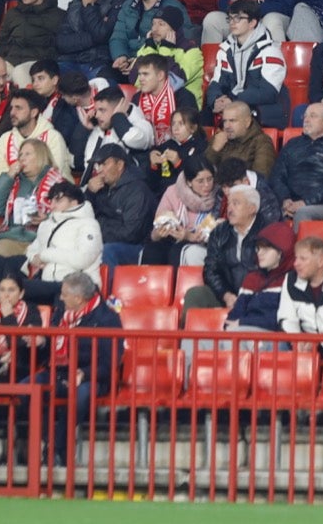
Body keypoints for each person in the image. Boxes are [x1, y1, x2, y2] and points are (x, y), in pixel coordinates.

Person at [19, 270, 121, 467]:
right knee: (26, 388)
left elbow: (111, 361)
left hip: (92, 377)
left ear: (78, 298)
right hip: (59, 371)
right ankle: (49, 441)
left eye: (65, 294)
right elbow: (52, 346)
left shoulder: (108, 319)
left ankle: (55, 448)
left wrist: (85, 373)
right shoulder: (61, 312)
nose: (61, 297)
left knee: (80, 395)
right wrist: (41, 342)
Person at [206, 0, 290, 129]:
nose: (233, 23)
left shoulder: (271, 50)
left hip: (261, 111)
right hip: (232, 108)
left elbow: (268, 92)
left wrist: (233, 100)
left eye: (238, 18)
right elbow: (215, 83)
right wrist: (216, 101)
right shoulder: (225, 50)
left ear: (252, 22)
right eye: (230, 18)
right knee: (200, 117)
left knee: (238, 121)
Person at [266, 101, 323, 225]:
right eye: (305, 116)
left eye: (313, 116)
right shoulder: (292, 144)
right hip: (289, 203)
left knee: (303, 213)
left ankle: (301, 245)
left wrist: (305, 203)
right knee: (263, 210)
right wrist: (286, 200)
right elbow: (277, 176)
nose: (306, 120)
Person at [183, 184, 267, 311]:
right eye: (229, 204)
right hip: (227, 294)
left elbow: (274, 273)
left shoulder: (268, 232)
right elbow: (211, 271)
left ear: (252, 208)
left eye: (236, 203)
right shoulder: (219, 232)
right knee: (195, 294)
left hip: (259, 295)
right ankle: (188, 330)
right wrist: (226, 295)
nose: (230, 209)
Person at [82, 142, 155, 275]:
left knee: (108, 250)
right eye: (98, 165)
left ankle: (108, 293)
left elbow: (131, 234)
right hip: (104, 240)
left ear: (120, 165)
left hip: (138, 248)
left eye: (104, 164)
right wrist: (89, 194)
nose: (99, 170)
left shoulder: (138, 190)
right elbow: (82, 218)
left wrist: (97, 230)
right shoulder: (99, 187)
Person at [144, 155, 219, 268]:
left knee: (178, 251)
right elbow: (158, 224)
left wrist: (188, 236)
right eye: (200, 181)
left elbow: (215, 230)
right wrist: (160, 232)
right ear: (189, 182)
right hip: (173, 238)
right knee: (153, 250)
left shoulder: (219, 196)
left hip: (203, 242)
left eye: (210, 179)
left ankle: (178, 285)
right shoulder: (173, 192)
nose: (207, 185)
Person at [0, 0, 64, 78]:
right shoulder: (13, 13)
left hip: (39, 66)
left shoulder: (58, 16)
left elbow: (59, 47)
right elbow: (1, 43)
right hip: (11, 62)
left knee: (19, 73)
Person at [205, 100, 276, 180]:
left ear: (247, 122)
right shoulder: (219, 138)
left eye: (232, 121)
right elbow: (202, 172)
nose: (227, 126)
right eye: (225, 121)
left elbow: (261, 178)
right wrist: (214, 150)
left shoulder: (262, 142)